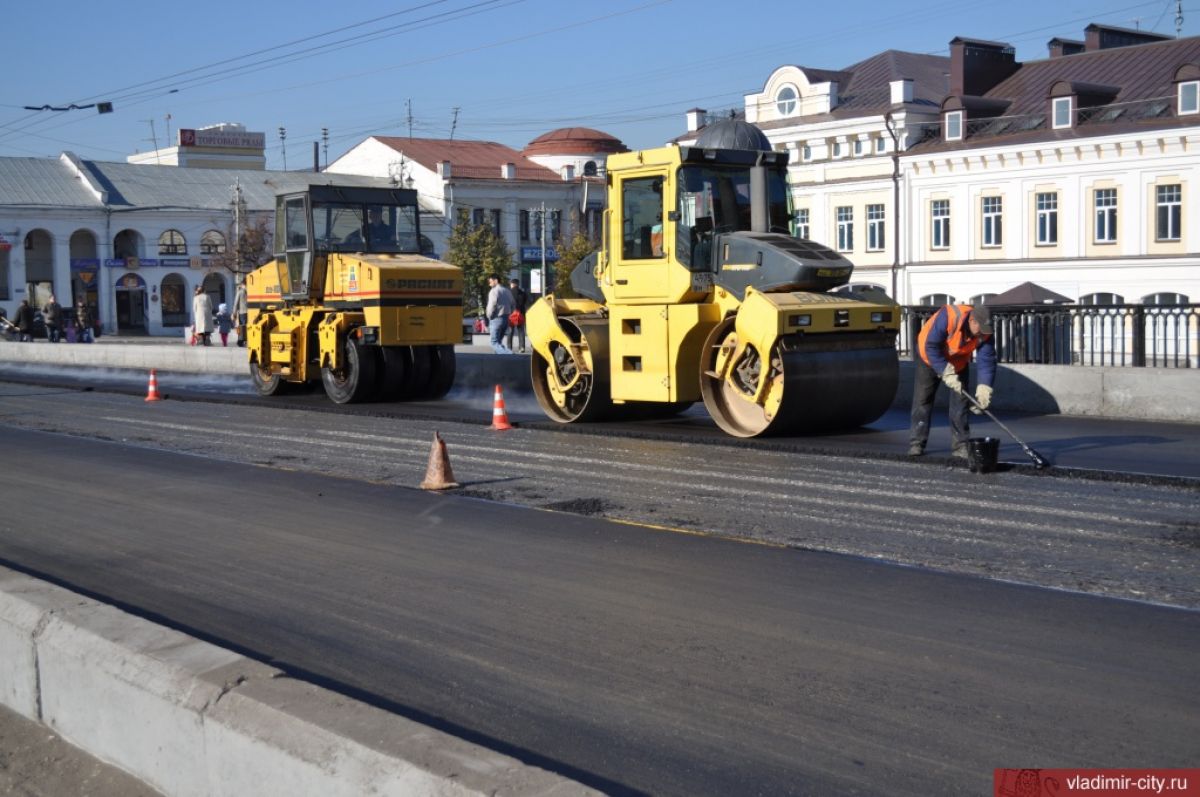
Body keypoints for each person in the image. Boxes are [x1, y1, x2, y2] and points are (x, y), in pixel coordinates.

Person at [909, 303, 997, 458]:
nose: (982, 335)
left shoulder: (985, 332)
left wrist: (984, 388)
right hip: (928, 358)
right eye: (981, 330)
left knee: (961, 403)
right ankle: (917, 443)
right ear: (972, 321)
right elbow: (931, 347)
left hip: (958, 362)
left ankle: (961, 446)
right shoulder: (949, 317)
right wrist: (945, 372)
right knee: (923, 400)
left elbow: (987, 360)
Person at [484, 274, 515, 355]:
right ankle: (501, 360)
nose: (489, 284)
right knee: (498, 342)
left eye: (490, 282)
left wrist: (489, 316)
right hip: (506, 318)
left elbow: (492, 305)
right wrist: (510, 313)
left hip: (496, 318)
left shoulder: (494, 291)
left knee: (494, 342)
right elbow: (513, 303)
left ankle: (509, 354)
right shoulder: (507, 291)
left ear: (496, 281)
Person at [506, 277, 527, 353]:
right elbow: (524, 302)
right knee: (521, 331)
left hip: (511, 315)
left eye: (511, 284)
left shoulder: (508, 293)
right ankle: (522, 347)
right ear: (518, 284)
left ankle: (509, 347)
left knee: (510, 331)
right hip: (520, 314)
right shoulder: (523, 293)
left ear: (513, 284)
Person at [232, 277, 248, 348]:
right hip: (250, 312)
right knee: (248, 326)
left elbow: (236, 303)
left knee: (242, 326)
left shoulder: (240, 291)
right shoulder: (251, 290)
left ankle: (240, 341)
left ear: (242, 283)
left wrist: (234, 313)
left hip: (242, 311)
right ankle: (246, 340)